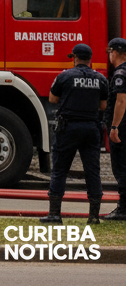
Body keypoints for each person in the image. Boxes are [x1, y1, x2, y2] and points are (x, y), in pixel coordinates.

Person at [41, 42, 107, 225]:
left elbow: (53, 98)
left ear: (75, 58)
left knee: (60, 170)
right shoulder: (100, 79)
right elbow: (103, 105)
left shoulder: (65, 76)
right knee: (92, 172)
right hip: (91, 129)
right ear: (90, 60)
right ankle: (93, 216)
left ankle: (54, 214)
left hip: (68, 128)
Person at [103, 37, 126, 220]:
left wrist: (114, 127)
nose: (109, 55)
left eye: (110, 51)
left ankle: (123, 210)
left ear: (117, 52)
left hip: (123, 129)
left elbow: (121, 101)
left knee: (121, 168)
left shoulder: (120, 74)